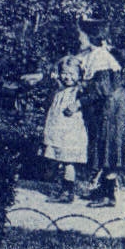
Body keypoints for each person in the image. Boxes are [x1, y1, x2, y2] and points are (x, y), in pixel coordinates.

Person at [77, 24, 125, 206]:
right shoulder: (91, 55)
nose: (78, 40)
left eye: (81, 36)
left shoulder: (101, 58)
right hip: (107, 109)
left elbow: (103, 89)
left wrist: (79, 102)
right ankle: (104, 190)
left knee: (111, 150)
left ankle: (108, 196)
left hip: (114, 110)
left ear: (91, 38)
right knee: (105, 150)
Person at [42, 53, 88, 203]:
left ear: (79, 74)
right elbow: (50, 79)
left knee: (68, 161)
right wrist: (54, 75)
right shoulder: (60, 89)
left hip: (70, 133)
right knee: (60, 160)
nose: (67, 77)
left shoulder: (78, 91)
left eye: (71, 74)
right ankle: (63, 188)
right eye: (64, 73)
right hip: (58, 131)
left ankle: (68, 192)